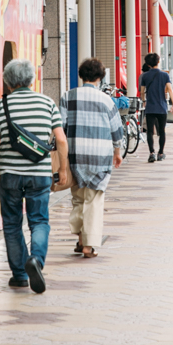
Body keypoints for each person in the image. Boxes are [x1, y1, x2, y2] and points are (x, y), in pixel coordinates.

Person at [0, 59, 69, 293]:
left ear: (8, 82)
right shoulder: (47, 103)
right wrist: (62, 169)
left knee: (12, 225)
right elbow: (61, 140)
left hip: (10, 174)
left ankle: (20, 275)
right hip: (40, 174)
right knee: (39, 221)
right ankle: (36, 261)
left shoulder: (1, 106)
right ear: (32, 80)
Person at [59, 58, 123, 258]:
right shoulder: (106, 100)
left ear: (81, 75)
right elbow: (117, 130)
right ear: (100, 77)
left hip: (75, 156)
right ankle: (88, 245)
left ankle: (80, 240)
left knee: (78, 198)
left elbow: (60, 127)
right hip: (99, 157)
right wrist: (117, 151)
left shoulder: (67, 97)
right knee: (93, 199)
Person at [138, 53, 173, 162]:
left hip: (150, 107)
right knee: (162, 131)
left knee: (150, 131)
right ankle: (160, 153)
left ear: (148, 64)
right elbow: (170, 89)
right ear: (158, 62)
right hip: (162, 107)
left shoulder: (145, 76)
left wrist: (144, 101)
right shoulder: (165, 75)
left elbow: (142, 92)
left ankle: (152, 153)